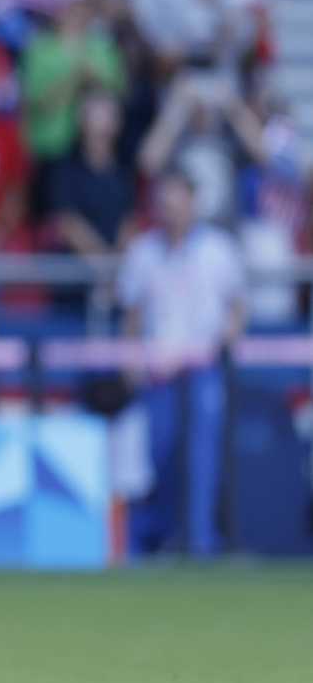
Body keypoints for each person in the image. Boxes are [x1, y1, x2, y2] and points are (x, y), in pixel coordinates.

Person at [117, 169, 246, 557]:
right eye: (164, 203)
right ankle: (163, 538)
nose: (171, 211)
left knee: (204, 455)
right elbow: (133, 313)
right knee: (158, 452)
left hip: (204, 366)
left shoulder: (218, 249)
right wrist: (130, 357)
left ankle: (202, 541)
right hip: (158, 369)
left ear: (192, 202)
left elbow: (237, 303)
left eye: (178, 201)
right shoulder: (144, 251)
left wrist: (228, 340)